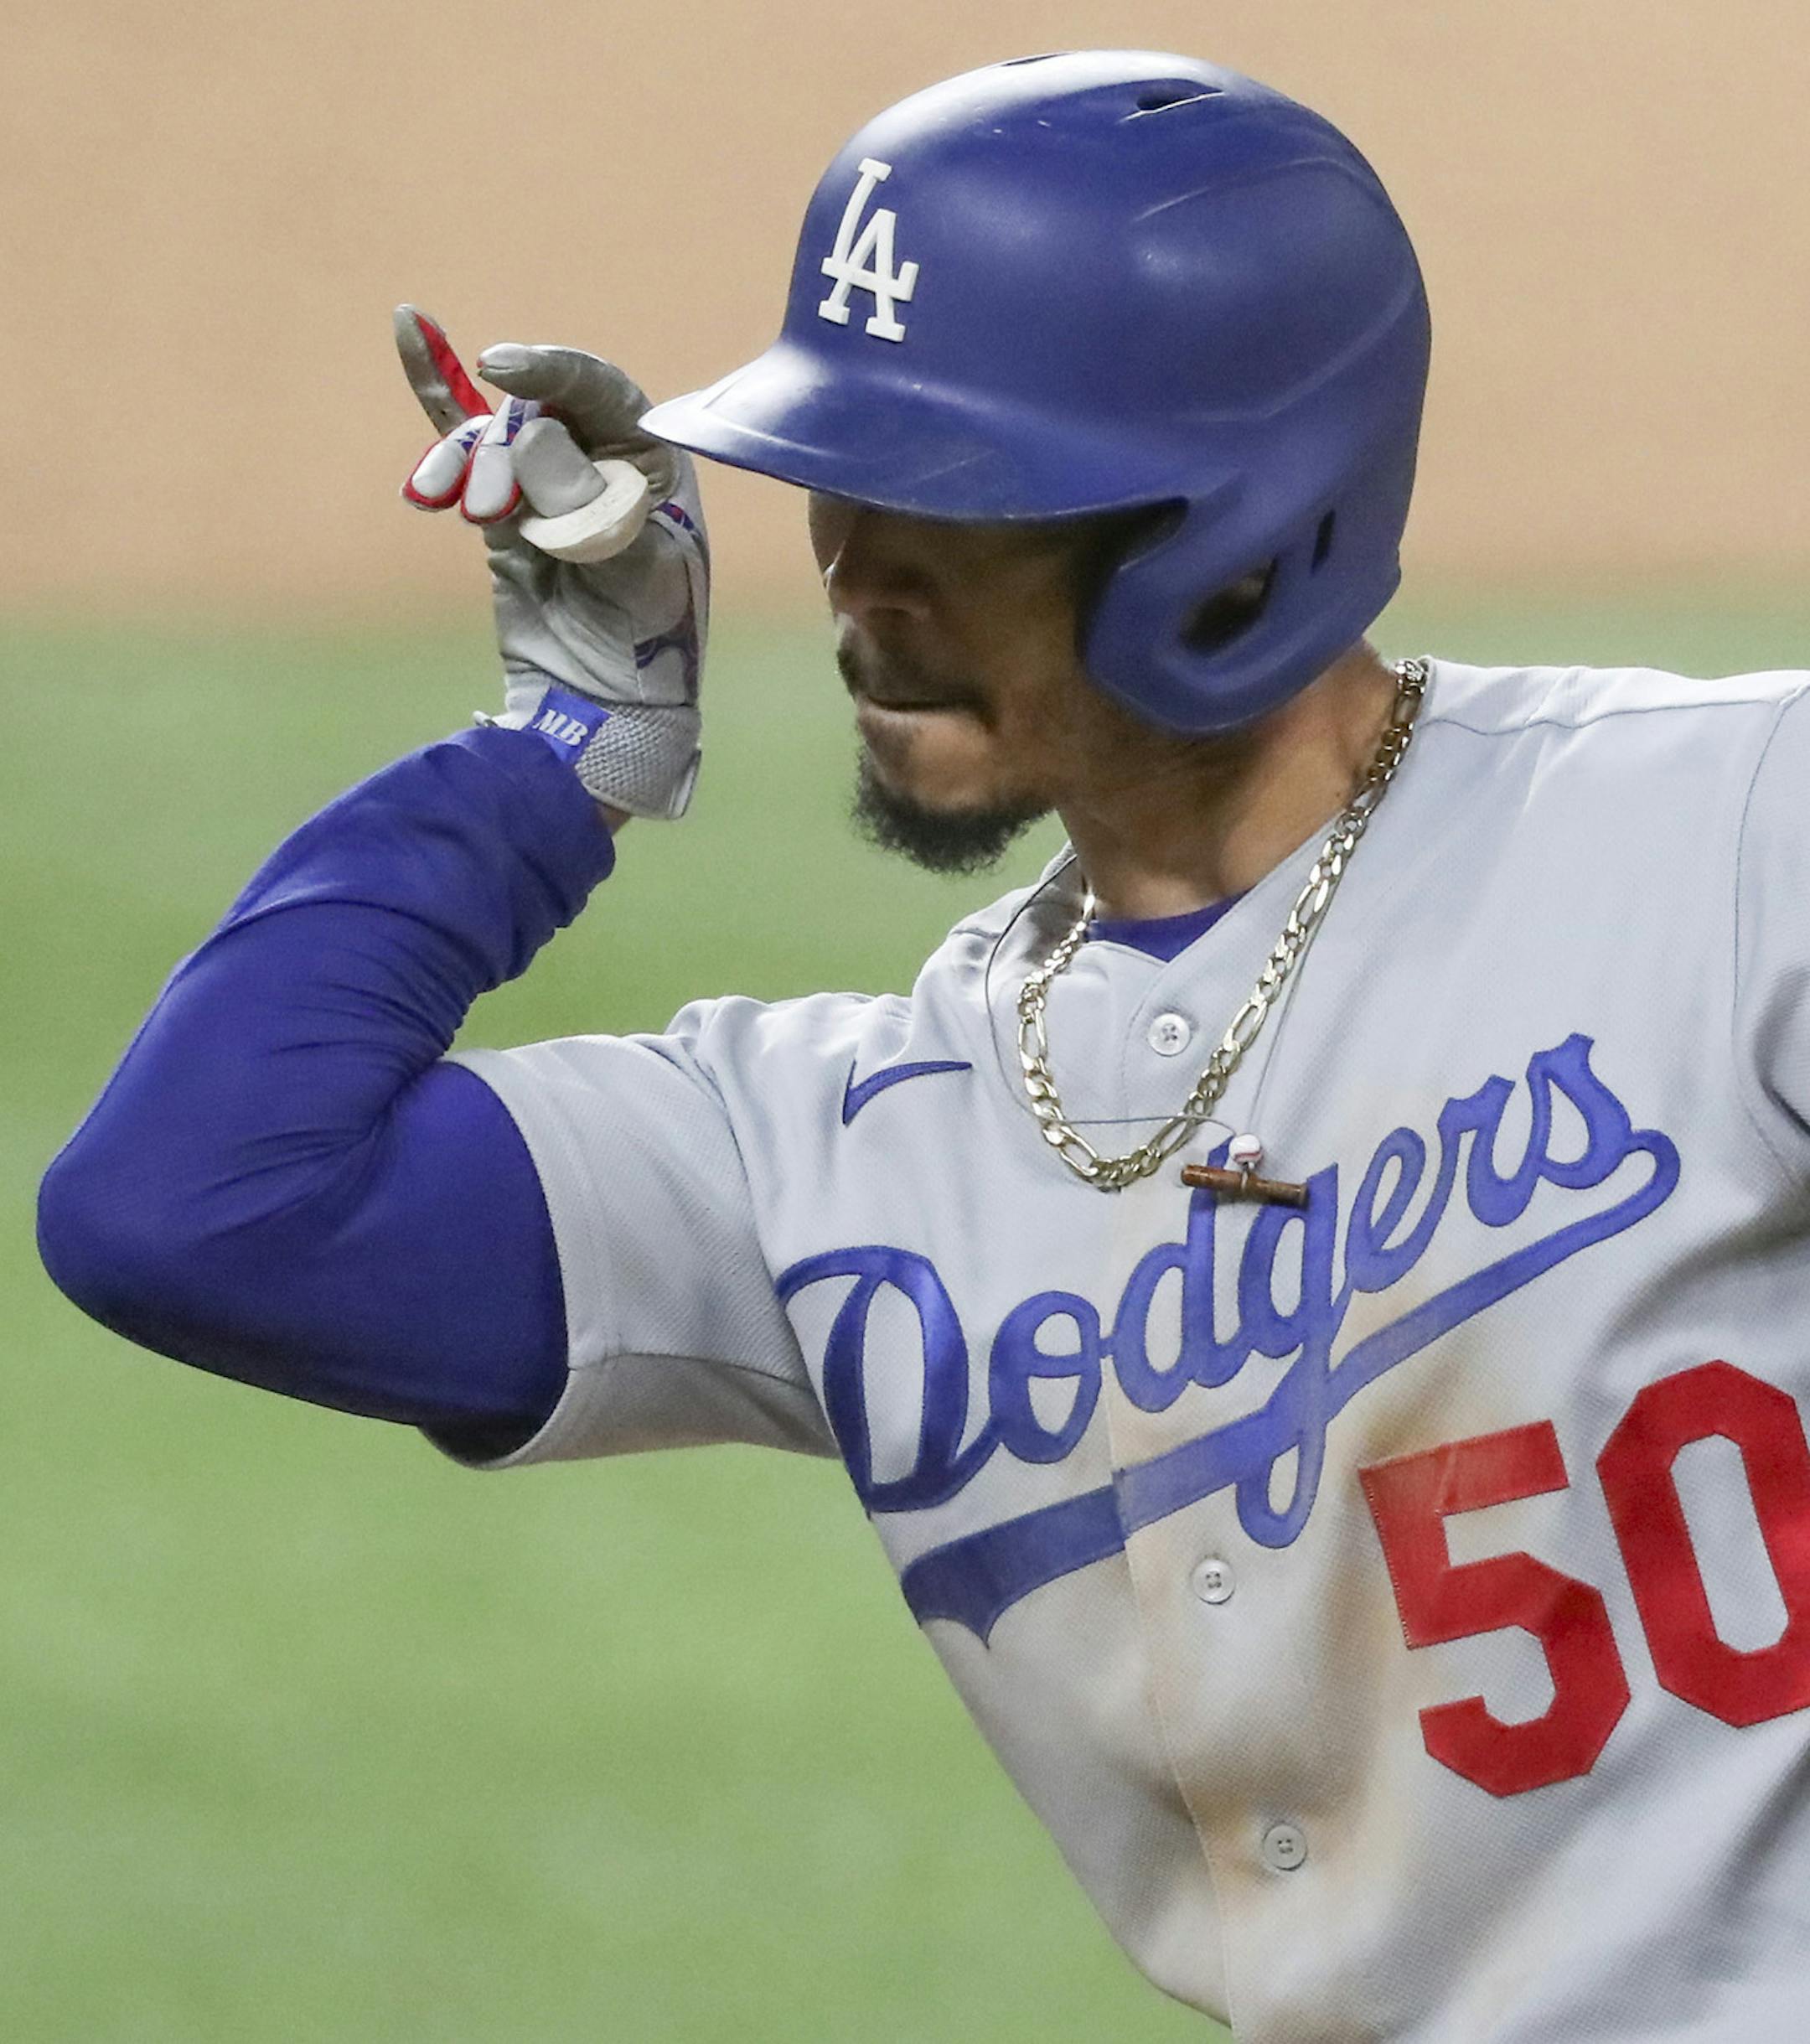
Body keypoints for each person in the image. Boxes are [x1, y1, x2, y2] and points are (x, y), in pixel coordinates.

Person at [37, 49, 1810, 2043]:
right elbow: (192, 1204)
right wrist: (560, 755)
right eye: (846, 476)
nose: (859, 570)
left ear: (1242, 527)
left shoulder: (1728, 838)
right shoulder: (840, 1151)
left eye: (966, 499)